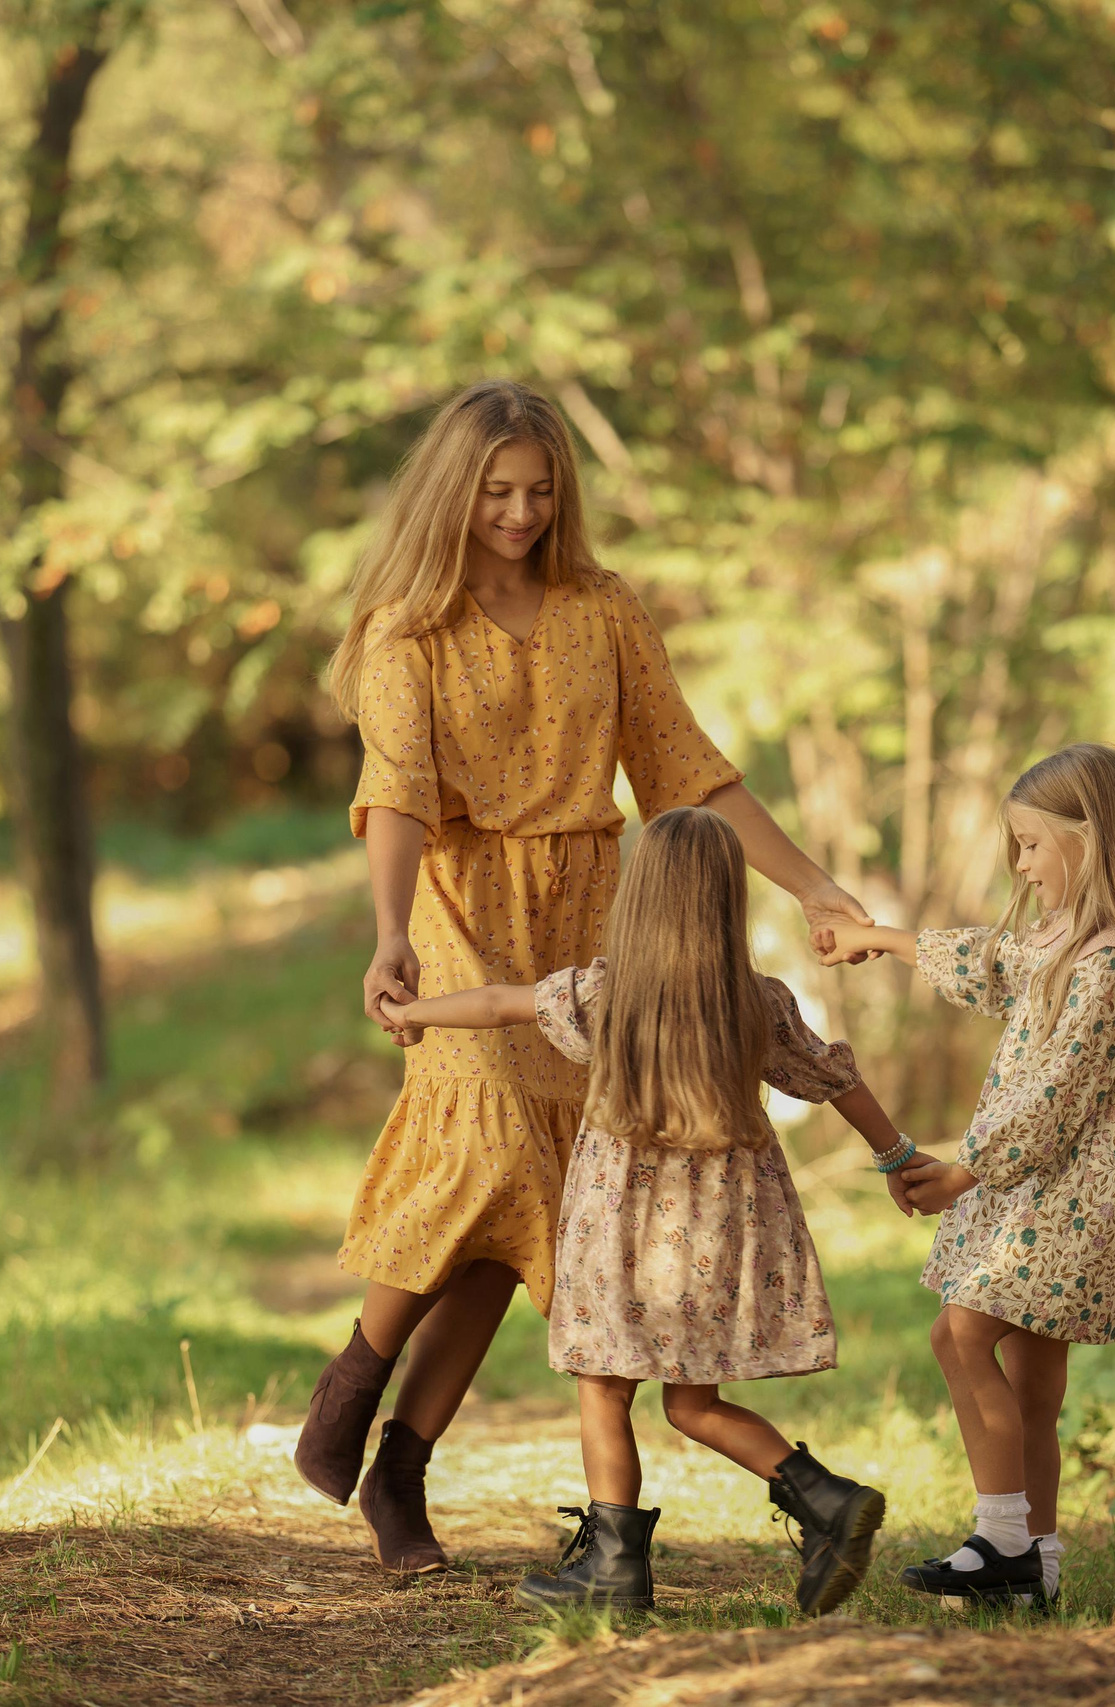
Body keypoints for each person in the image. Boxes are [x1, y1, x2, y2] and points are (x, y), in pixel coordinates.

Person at [299, 381, 874, 1574]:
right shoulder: (409, 630)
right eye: (495, 493)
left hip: (589, 914)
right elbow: (396, 792)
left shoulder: (602, 608)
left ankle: (399, 1466)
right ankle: (352, 1382)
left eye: (539, 491)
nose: (519, 513)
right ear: (452, 495)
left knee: (533, 1210)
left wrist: (812, 885)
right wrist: (391, 930)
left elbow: (686, 770)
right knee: (489, 1148)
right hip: (461, 908)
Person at [378, 806, 909, 1615]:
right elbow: (836, 1079)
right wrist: (897, 1155)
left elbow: (493, 1004)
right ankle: (826, 1499)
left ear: (639, 897)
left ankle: (614, 1568)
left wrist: (412, 1012)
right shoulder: (756, 1003)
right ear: (727, 901)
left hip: (622, 1232)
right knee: (694, 1403)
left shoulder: (604, 994)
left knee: (603, 1387)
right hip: (719, 1233)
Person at [819, 743, 1115, 1610]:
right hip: (1038, 1196)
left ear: (1090, 838)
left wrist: (964, 1173)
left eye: (1031, 843)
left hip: (1060, 1203)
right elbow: (987, 960)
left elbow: (1052, 1100)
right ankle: (1034, 1570)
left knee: (960, 1336)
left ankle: (1002, 1538)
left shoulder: (1106, 966)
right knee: (1034, 1386)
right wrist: (880, 940)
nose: (1021, 863)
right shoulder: (1067, 941)